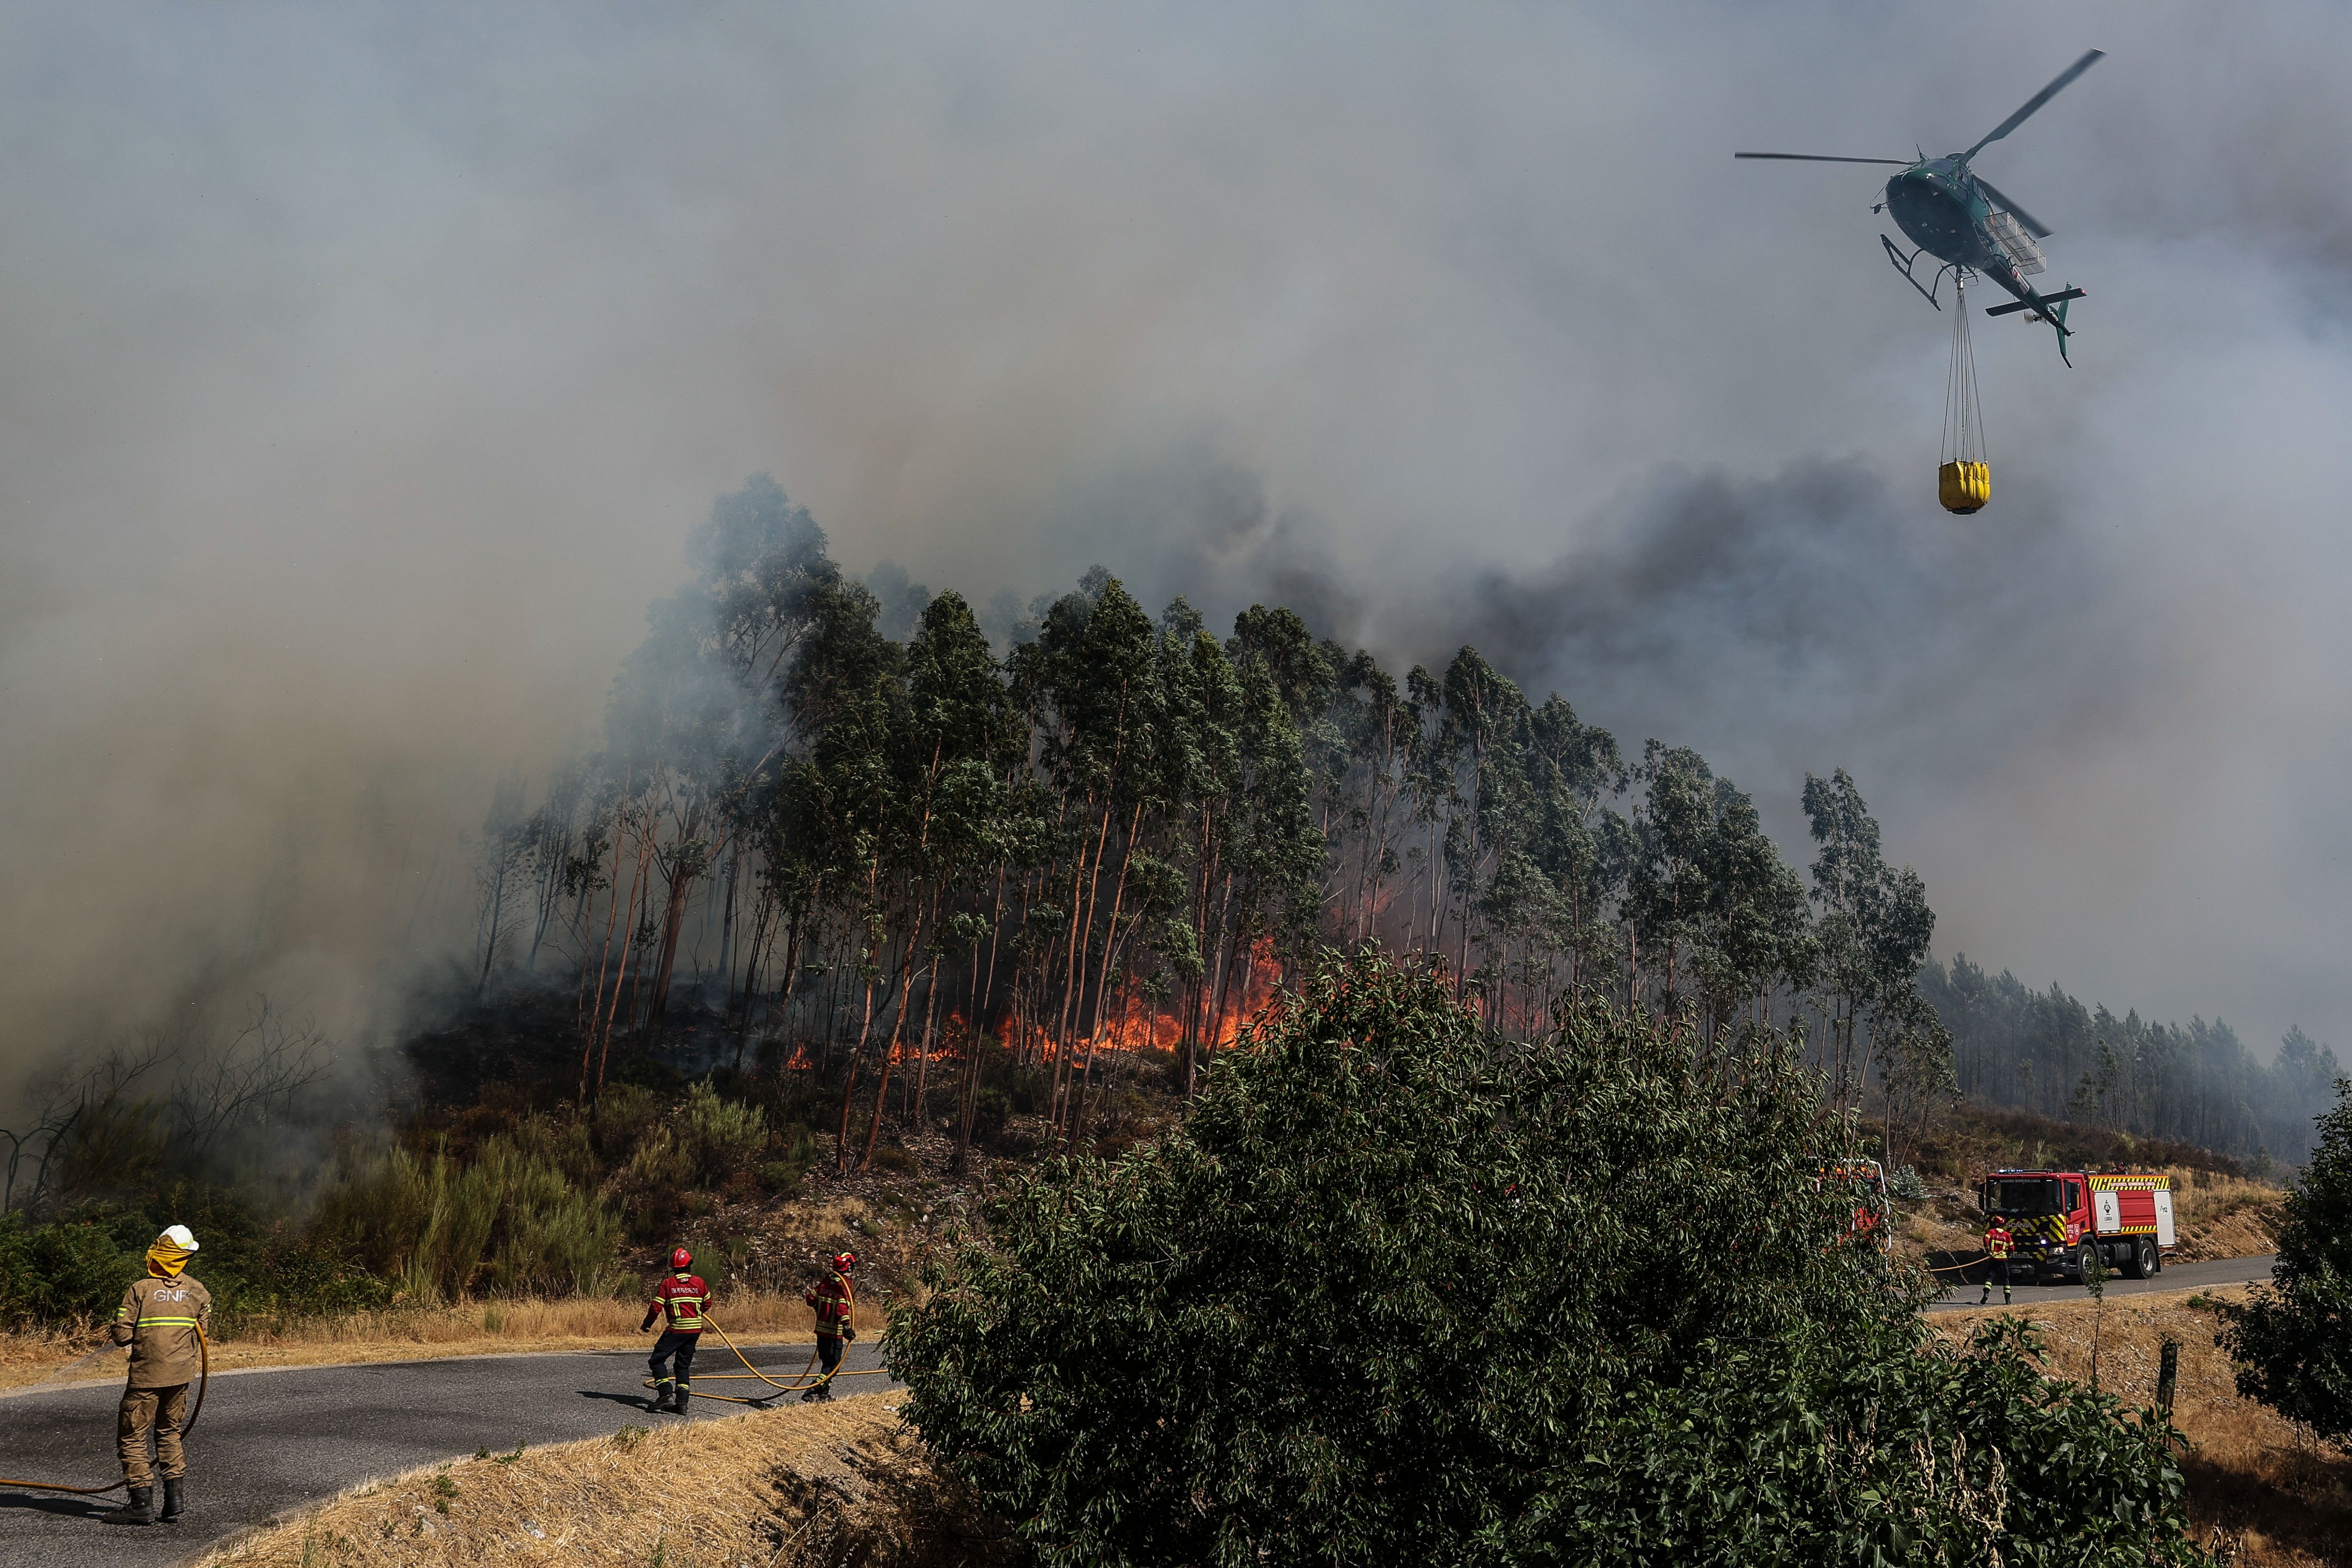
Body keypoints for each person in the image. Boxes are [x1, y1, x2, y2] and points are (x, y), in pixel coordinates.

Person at [110, 1224, 210, 1527]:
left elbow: (121, 1335)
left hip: (145, 1379)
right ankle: (174, 1502)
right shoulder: (198, 1291)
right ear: (185, 1258)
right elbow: (203, 1333)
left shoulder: (140, 1289)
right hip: (180, 1377)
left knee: (132, 1436)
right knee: (169, 1433)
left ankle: (140, 1504)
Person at [639, 1247, 708, 1415]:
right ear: (689, 1265)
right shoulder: (699, 1282)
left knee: (657, 1360)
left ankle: (665, 1394)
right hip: (695, 1329)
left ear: (673, 1268)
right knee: (682, 1366)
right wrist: (694, 1312)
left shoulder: (668, 1284)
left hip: (677, 1328)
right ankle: (682, 1403)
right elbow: (707, 1303)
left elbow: (656, 1307)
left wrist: (647, 1324)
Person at [801, 1251, 855, 1402]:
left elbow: (810, 1299)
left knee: (827, 1364)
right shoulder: (844, 1285)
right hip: (833, 1334)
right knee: (833, 1367)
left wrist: (821, 1309)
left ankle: (823, 1394)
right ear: (849, 1268)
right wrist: (847, 1328)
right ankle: (813, 1389)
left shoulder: (826, 1281)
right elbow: (842, 1309)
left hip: (821, 1332)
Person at [1979, 1217, 2014, 1306]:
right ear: (2003, 1225)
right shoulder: (2007, 1235)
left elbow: (1986, 1239)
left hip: (1993, 1259)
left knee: (1990, 1277)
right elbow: (2012, 1248)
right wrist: (2009, 1254)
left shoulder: (1992, 1232)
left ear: (1995, 1224)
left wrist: (1988, 1251)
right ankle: (2008, 1299)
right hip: (2003, 1260)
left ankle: (1986, 1293)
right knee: (2005, 1279)